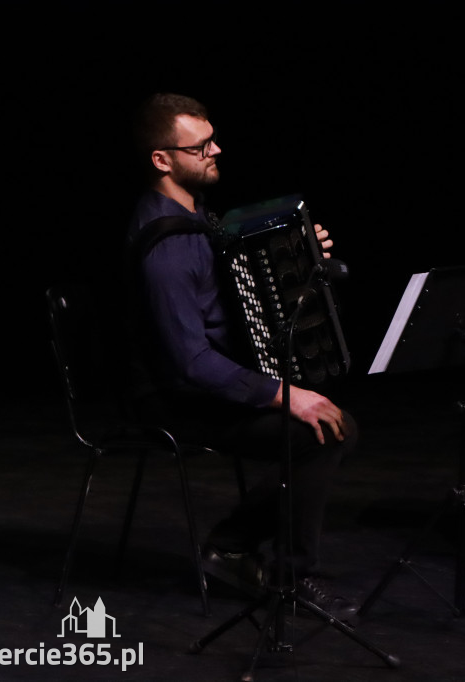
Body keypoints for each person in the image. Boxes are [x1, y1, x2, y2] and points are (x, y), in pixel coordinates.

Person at [126, 93, 357, 615]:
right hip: (174, 400)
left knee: (330, 425)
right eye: (200, 145)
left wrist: (300, 253)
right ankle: (287, 576)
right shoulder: (163, 247)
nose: (216, 150)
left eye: (212, 139)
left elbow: (237, 288)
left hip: (206, 384)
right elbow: (189, 361)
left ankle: (232, 543)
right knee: (316, 434)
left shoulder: (197, 217)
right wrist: (282, 395)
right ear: (162, 159)